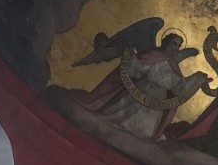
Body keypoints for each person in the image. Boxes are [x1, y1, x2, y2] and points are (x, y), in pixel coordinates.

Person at [71, 33, 209, 140]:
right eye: (174, 44)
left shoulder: (174, 65)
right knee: (117, 119)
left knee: (142, 132)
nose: (176, 48)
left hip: (157, 101)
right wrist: (130, 55)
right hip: (139, 91)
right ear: (166, 42)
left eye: (179, 45)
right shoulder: (153, 55)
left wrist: (197, 78)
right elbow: (137, 69)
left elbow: (179, 87)